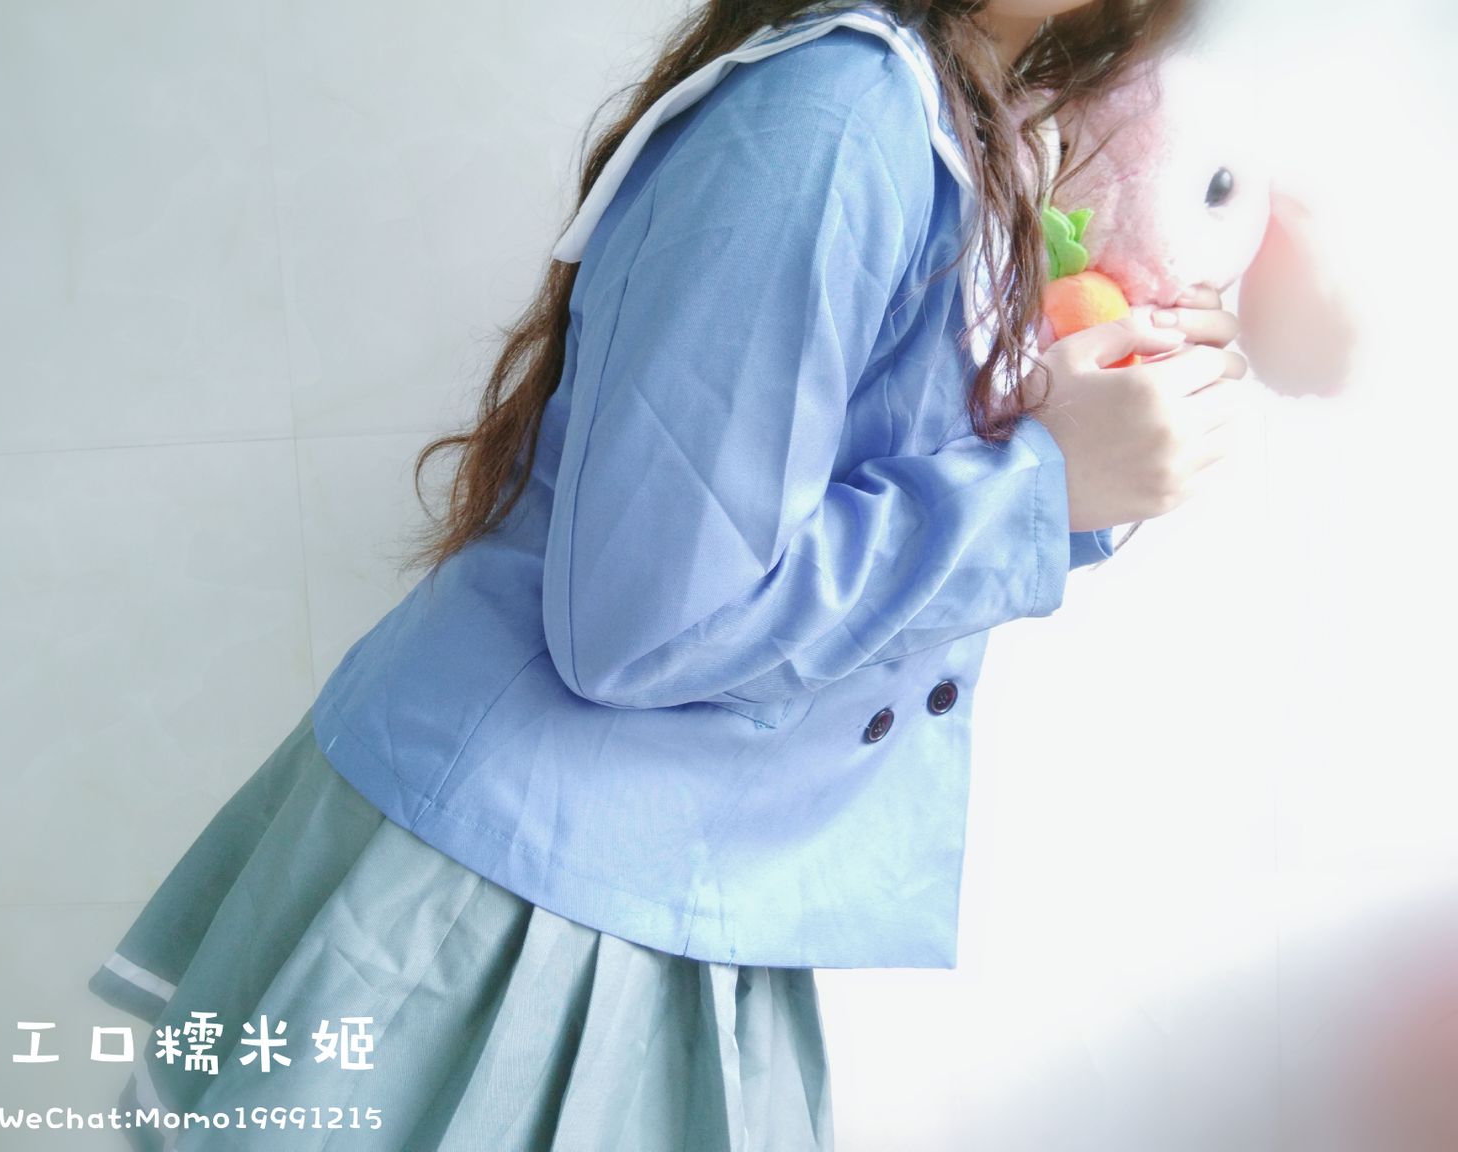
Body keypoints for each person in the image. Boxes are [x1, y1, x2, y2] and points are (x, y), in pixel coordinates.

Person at [88, 1, 1251, 1148]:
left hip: (653, 886)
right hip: (524, 898)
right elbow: (654, 620)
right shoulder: (842, 108)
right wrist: (1035, 489)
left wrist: (1079, 441)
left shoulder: (950, 114)